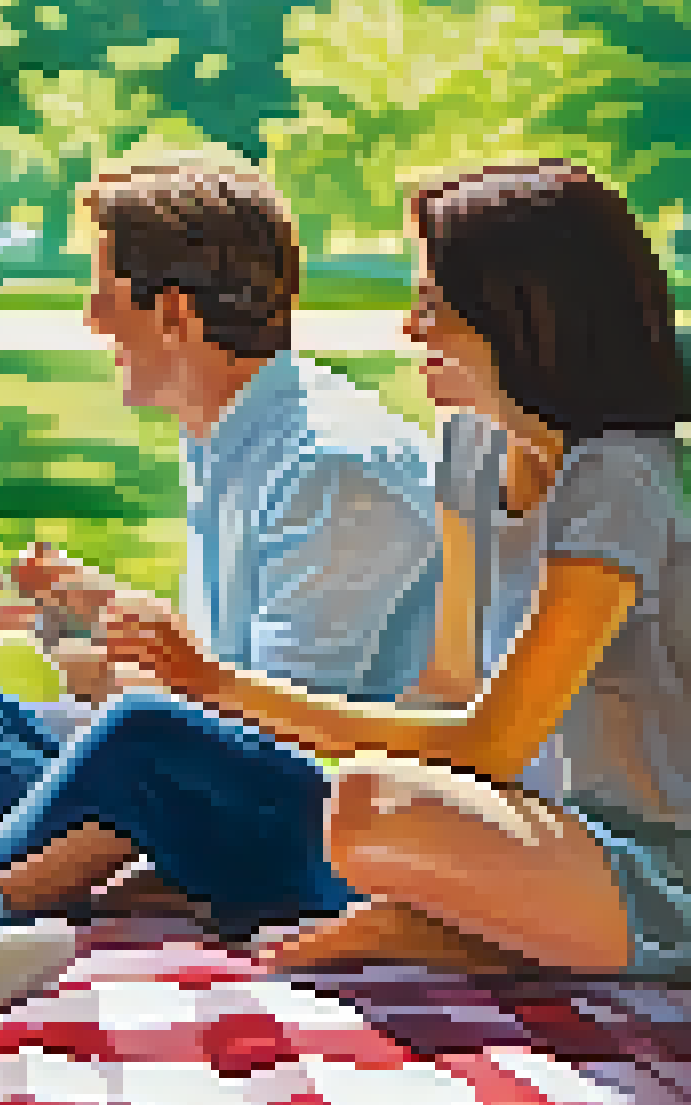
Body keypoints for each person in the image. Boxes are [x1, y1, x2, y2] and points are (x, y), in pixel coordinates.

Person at [93, 160, 689, 974]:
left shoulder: (616, 479)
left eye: (432, 307)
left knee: (366, 807)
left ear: (519, 318)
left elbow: (492, 743)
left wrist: (220, 689)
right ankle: (468, 928)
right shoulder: (471, 448)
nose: (410, 332)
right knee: (361, 805)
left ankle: (472, 935)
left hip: (658, 866)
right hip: (538, 829)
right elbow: (445, 686)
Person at [0, 157, 446, 940]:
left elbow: (278, 730)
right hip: (212, 770)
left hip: (326, 827)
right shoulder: (224, 434)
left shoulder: (334, 468)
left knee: (139, 732)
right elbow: (222, 668)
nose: (89, 317)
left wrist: (126, 711)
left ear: (174, 314)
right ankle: (123, 838)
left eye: (104, 293)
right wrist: (104, 608)